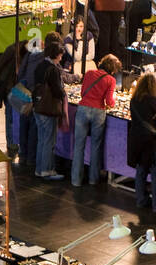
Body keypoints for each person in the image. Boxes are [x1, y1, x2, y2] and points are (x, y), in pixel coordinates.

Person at [70, 53, 119, 188]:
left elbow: (82, 93)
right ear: (113, 69)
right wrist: (113, 103)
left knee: (78, 146)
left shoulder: (89, 73)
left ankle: (76, 180)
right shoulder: (110, 80)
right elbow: (109, 101)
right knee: (95, 147)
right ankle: (93, 179)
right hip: (98, 112)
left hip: (83, 109)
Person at [127, 71, 156, 211]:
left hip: (135, 138)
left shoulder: (134, 99)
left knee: (140, 170)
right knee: (155, 171)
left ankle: (141, 200)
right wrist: (153, 119)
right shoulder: (152, 99)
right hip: (149, 139)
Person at [32, 37, 67, 181]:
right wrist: (63, 92)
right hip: (48, 108)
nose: (61, 57)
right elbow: (57, 91)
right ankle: (47, 170)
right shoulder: (53, 69)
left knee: (41, 140)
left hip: (37, 107)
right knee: (49, 141)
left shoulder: (40, 65)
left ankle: (39, 169)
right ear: (56, 54)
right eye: (60, 54)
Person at [14, 35, 46, 171]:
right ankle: (31, 158)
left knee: (23, 125)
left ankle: (22, 154)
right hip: (35, 94)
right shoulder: (44, 58)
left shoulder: (28, 56)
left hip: (23, 93)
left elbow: (20, 73)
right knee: (33, 127)